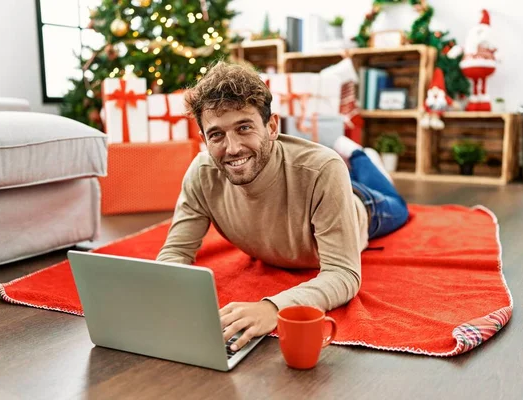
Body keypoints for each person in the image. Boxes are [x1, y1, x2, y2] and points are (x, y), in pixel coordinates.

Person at [156, 61, 409, 352]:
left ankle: (361, 156)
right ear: (204, 139)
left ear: (272, 126)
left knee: (400, 207)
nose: (233, 147)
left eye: (244, 127)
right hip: (318, 187)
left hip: (363, 208)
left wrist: (272, 309)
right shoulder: (201, 174)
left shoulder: (324, 168)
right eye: (217, 135)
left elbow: (344, 274)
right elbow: (175, 251)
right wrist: (169, 292)